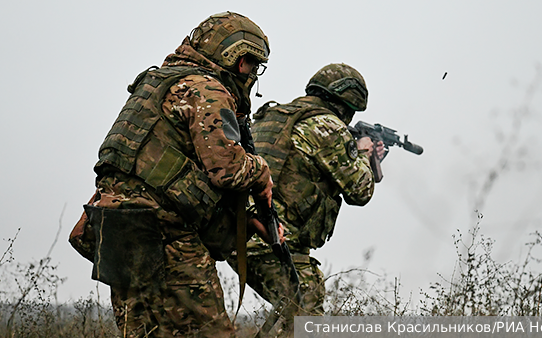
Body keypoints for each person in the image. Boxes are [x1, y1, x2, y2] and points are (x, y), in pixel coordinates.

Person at [72, 12, 276, 338]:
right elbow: (228, 169)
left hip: (115, 226)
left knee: (144, 333)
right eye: (252, 65)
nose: (251, 74)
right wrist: (261, 172)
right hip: (161, 231)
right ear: (239, 59)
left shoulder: (156, 83)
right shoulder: (206, 89)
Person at [228, 63, 385, 325]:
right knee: (305, 316)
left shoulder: (278, 115)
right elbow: (361, 191)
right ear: (347, 103)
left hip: (241, 231)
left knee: (291, 316)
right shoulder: (329, 126)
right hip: (273, 239)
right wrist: (364, 153)